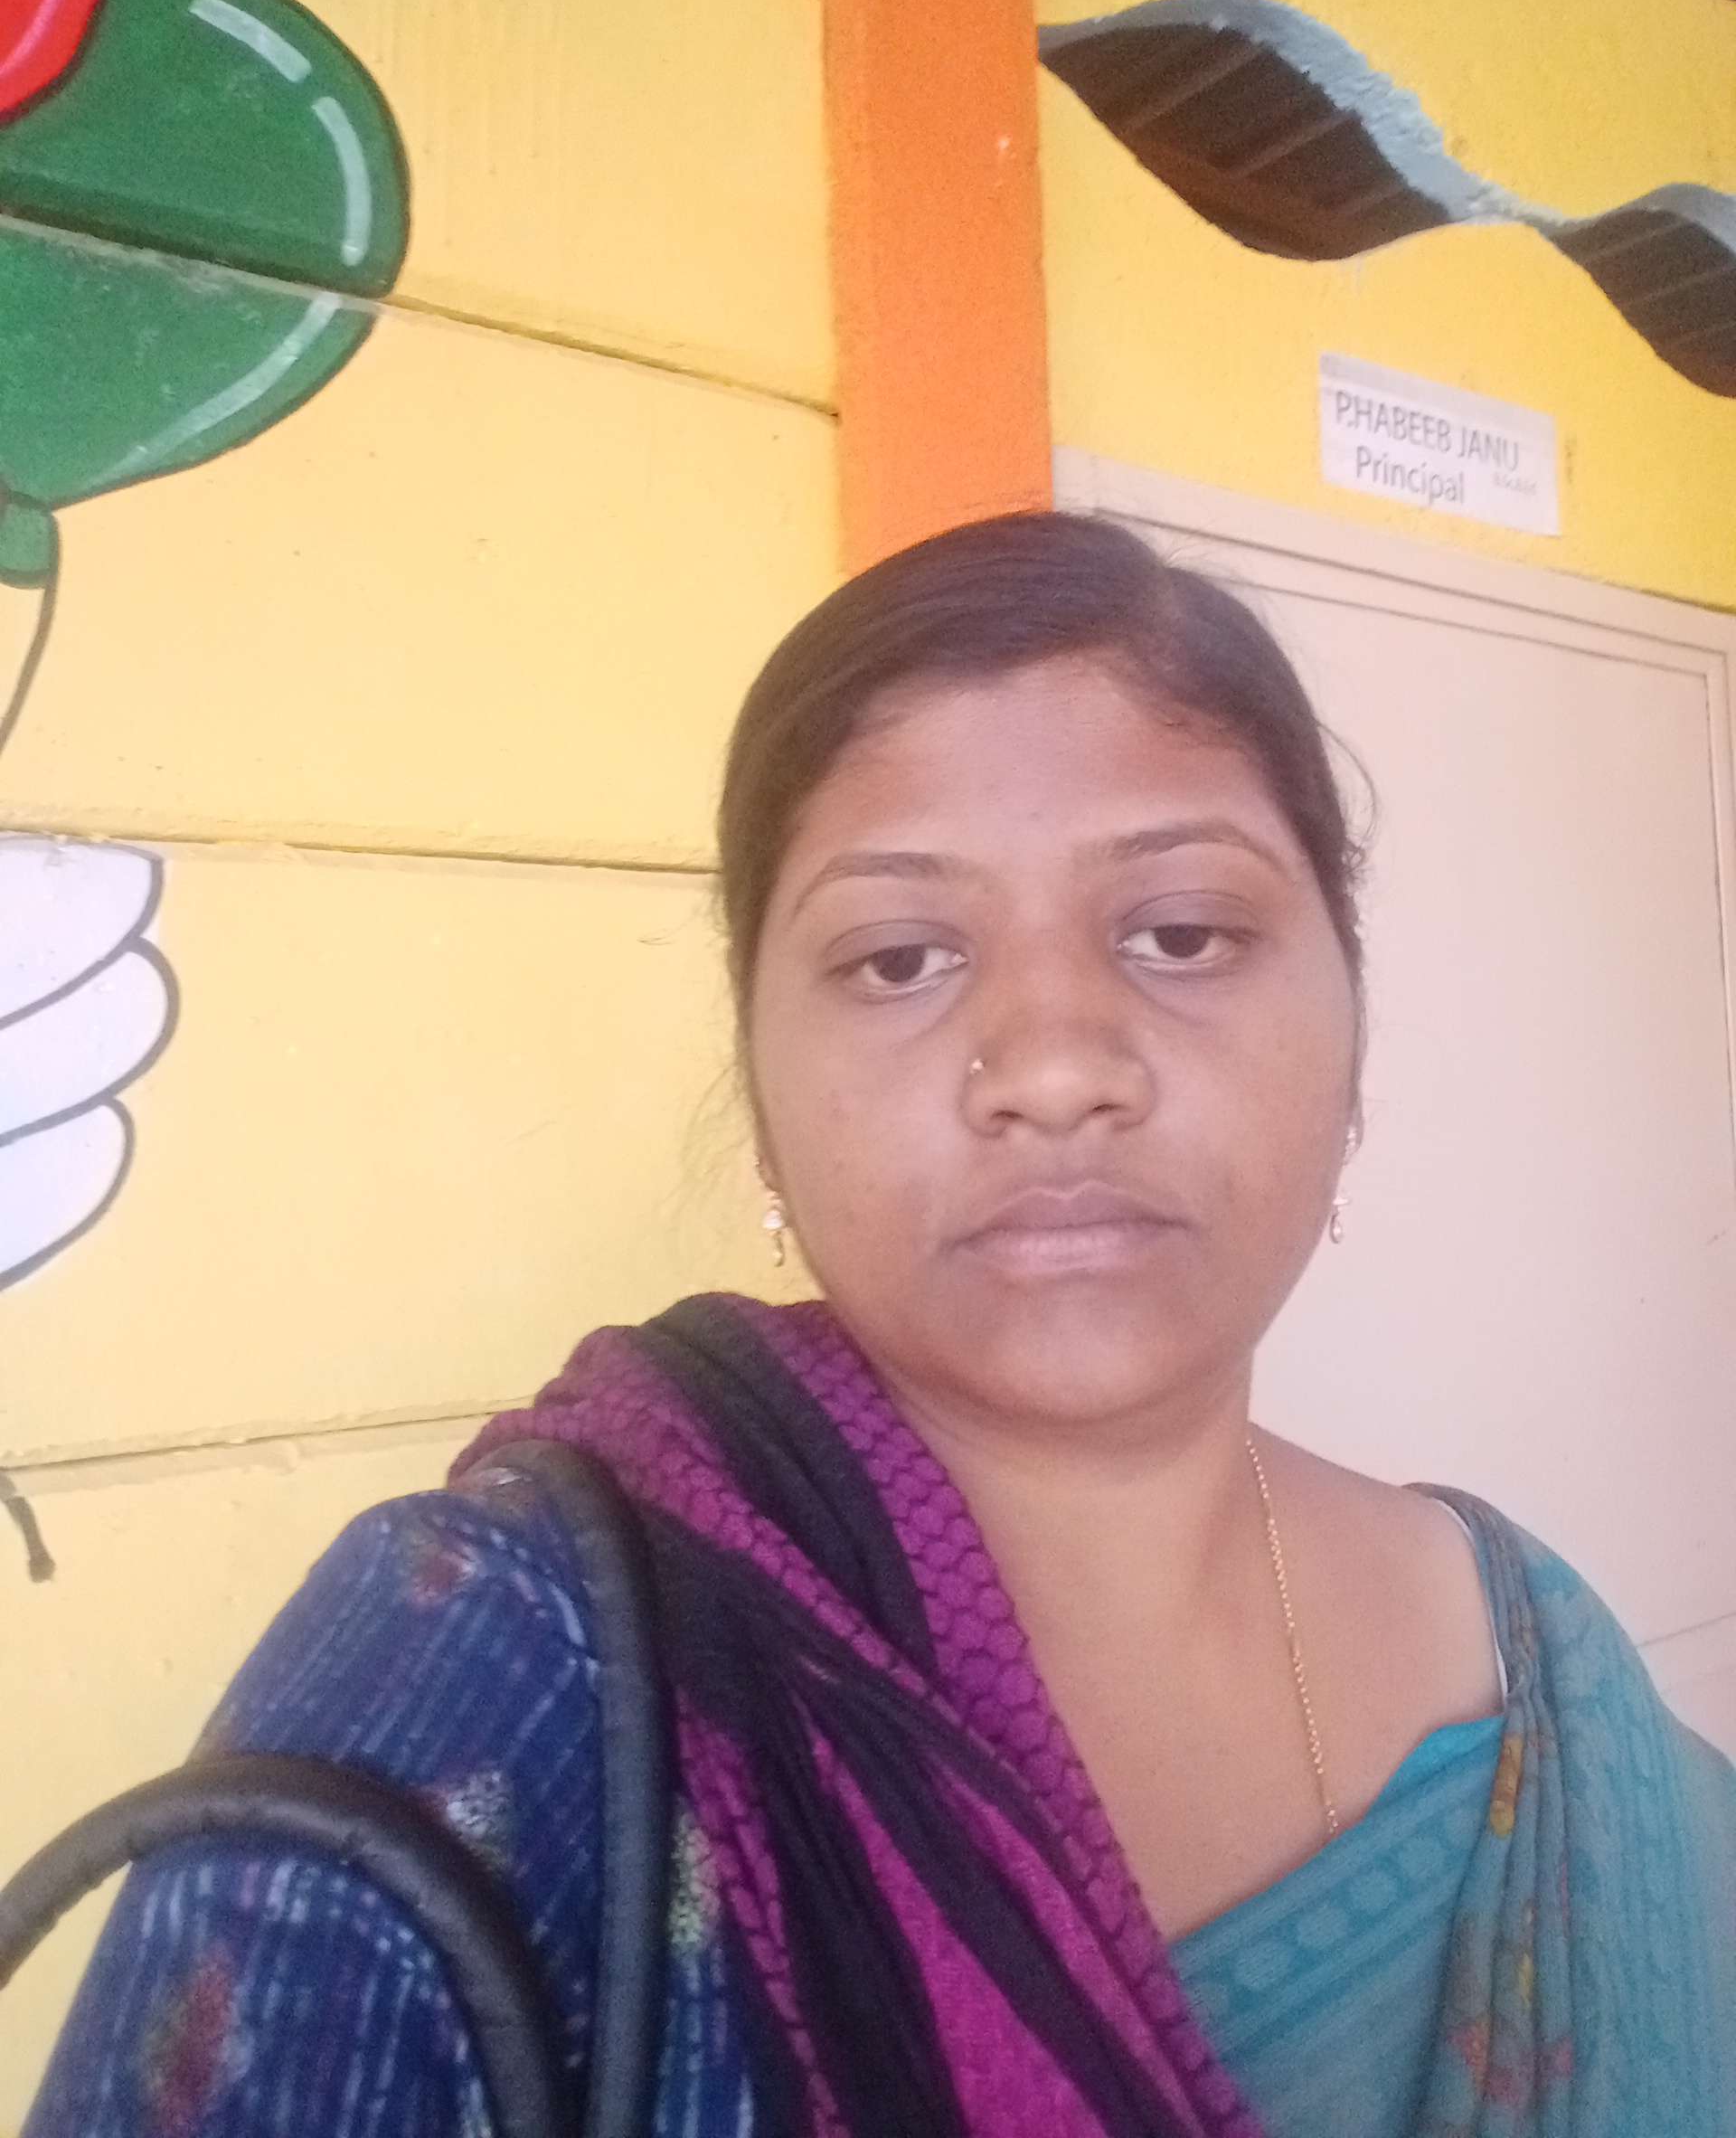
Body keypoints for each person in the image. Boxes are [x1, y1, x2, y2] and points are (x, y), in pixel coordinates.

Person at [25, 512, 1736, 2137]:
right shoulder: (488, 1669)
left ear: (1352, 1031)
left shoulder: (1532, 1664)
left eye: (1183, 933)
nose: (1054, 1067)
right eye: (901, 959)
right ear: (763, 1093)